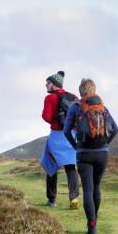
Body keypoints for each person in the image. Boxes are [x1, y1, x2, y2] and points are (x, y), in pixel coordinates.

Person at [63, 78, 118, 234]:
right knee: (96, 186)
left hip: (84, 153)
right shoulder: (103, 107)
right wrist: (105, 144)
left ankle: (91, 227)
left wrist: (76, 146)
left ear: (80, 92)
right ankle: (95, 220)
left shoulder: (76, 108)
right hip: (102, 153)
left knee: (87, 189)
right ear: (94, 90)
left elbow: (67, 131)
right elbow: (115, 129)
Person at [40, 71, 79, 209]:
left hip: (56, 136)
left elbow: (46, 116)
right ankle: (73, 198)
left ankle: (52, 199)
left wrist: (55, 120)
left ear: (54, 84)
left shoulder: (49, 98)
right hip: (71, 136)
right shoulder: (73, 97)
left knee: (52, 166)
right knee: (70, 167)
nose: (46, 85)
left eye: (48, 82)